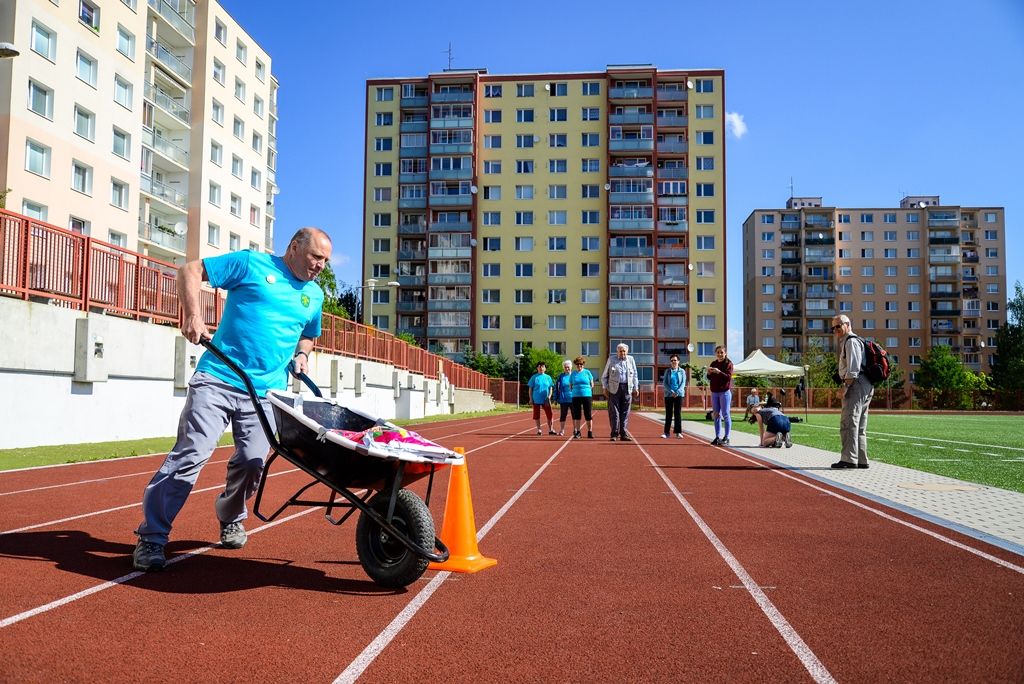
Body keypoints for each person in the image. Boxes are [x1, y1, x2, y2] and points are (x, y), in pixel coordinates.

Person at [132, 227, 332, 572]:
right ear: (294, 246)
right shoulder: (250, 264)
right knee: (191, 453)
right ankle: (152, 537)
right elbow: (190, 270)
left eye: (325, 261)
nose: (320, 266)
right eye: (316, 256)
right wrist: (193, 314)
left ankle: (230, 516)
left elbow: (308, 335)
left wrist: (302, 356)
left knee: (253, 461)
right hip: (219, 378)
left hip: (266, 392)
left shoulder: (314, 296)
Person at [831, 314, 872, 469]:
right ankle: (861, 459)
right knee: (859, 425)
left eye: (838, 326)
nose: (836, 330)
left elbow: (853, 369)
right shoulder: (855, 341)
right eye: (833, 327)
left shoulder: (851, 341)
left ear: (847, 324)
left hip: (856, 385)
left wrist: (844, 388)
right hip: (864, 384)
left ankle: (849, 459)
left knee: (849, 423)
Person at [601, 343, 639, 441]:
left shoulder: (631, 360)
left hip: (627, 388)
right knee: (614, 412)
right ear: (617, 352)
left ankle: (624, 433)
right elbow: (604, 376)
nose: (622, 353)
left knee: (625, 412)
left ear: (627, 351)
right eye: (620, 351)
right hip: (614, 389)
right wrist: (605, 388)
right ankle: (614, 434)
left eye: (624, 351)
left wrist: (636, 387)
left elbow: (635, 374)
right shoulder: (611, 360)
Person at [707, 345, 734, 446]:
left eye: (722, 352)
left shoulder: (729, 364)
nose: (720, 354)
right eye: (718, 352)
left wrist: (719, 372)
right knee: (716, 415)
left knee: (726, 414)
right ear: (716, 353)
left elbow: (728, 377)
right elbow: (709, 377)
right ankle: (717, 437)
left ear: (725, 353)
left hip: (724, 392)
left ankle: (727, 437)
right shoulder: (713, 363)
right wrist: (709, 373)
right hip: (714, 392)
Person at [569, 356, 595, 439]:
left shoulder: (587, 372)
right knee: (577, 414)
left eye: (581, 364)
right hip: (576, 396)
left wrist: (587, 390)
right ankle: (578, 432)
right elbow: (570, 385)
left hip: (586, 395)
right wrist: (574, 390)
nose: (579, 366)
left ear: (583, 364)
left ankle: (590, 432)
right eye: (577, 364)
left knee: (588, 414)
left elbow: (592, 384)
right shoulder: (573, 373)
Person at [527, 362, 555, 435]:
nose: (541, 368)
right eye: (539, 367)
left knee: (550, 414)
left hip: (546, 399)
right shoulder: (534, 377)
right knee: (536, 415)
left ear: (545, 368)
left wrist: (549, 397)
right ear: (537, 368)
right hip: (536, 399)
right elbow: (530, 389)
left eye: (542, 367)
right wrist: (530, 399)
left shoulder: (548, 377)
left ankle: (550, 429)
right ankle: (539, 430)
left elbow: (550, 388)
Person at [661, 354, 685, 439]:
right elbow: (665, 383)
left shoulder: (682, 371)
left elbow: (683, 383)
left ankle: (678, 433)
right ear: (670, 362)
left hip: (679, 395)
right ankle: (666, 433)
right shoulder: (667, 371)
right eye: (672, 360)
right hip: (668, 395)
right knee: (669, 414)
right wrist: (671, 392)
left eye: (675, 360)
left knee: (677, 413)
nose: (673, 362)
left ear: (678, 361)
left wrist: (677, 392)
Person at [554, 359, 574, 436]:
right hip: (563, 399)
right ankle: (562, 430)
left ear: (571, 367)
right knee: (563, 415)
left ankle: (575, 430)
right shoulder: (561, 376)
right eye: (565, 367)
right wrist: (555, 398)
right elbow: (557, 387)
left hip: (573, 399)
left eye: (568, 367)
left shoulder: (574, 375)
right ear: (564, 368)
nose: (567, 368)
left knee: (574, 415)